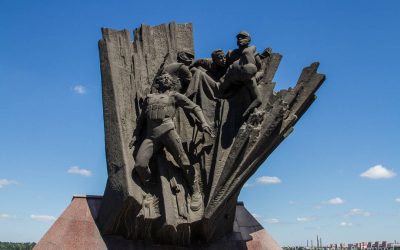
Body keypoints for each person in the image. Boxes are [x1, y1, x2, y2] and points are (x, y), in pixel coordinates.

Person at [130, 72, 215, 211]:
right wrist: (136, 135)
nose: (166, 79)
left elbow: (195, 107)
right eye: (163, 78)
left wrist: (204, 123)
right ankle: (150, 190)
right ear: (158, 82)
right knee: (140, 164)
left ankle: (195, 191)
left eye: (168, 79)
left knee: (183, 161)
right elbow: (142, 119)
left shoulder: (174, 96)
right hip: (151, 136)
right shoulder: (149, 98)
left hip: (168, 132)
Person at [219, 31, 263, 117]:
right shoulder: (231, 53)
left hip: (246, 81)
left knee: (246, 91)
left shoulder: (254, 54)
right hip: (230, 80)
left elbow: (259, 68)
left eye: (243, 37)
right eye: (238, 37)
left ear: (249, 40)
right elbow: (223, 66)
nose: (239, 39)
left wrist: (255, 77)